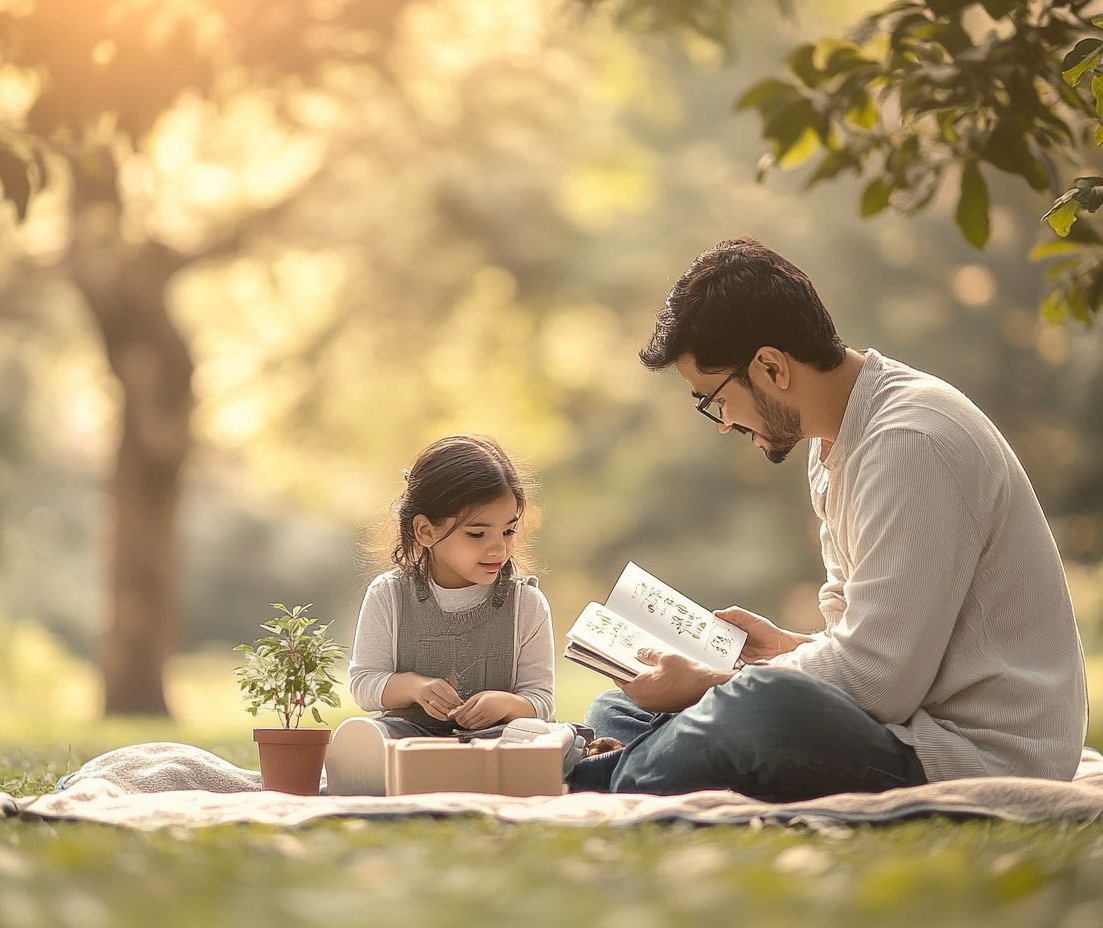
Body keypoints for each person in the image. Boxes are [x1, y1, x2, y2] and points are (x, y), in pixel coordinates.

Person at [568, 237, 1088, 800]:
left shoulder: (909, 444)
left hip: (976, 754)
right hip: (904, 720)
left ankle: (597, 776)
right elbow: (872, 640)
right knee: (624, 702)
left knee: (757, 709)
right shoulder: (835, 443)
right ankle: (616, 758)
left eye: (712, 399)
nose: (720, 423)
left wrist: (716, 685)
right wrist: (784, 650)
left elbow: (877, 682)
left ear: (770, 367)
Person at [324, 434, 560, 795]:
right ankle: (423, 775)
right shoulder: (389, 594)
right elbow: (365, 685)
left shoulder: (525, 604)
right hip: (409, 738)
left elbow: (541, 701)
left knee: (548, 737)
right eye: (477, 533)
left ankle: (430, 780)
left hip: (494, 739)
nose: (499, 547)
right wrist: (416, 688)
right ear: (425, 530)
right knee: (364, 735)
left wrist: (506, 704)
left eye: (508, 530)